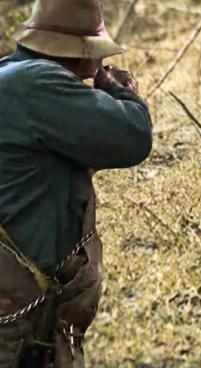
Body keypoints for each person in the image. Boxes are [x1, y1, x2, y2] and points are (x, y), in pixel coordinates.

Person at [0, 0, 152, 366]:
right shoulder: (37, 83)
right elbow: (132, 136)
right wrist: (122, 92)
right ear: (77, 53)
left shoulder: (10, 74)